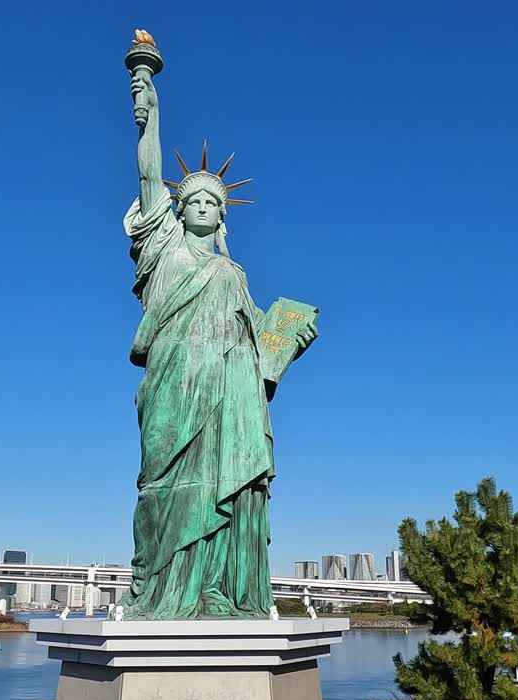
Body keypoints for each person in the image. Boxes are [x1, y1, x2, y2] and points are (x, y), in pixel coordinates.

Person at [122, 68, 317, 619]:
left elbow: (260, 335)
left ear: (222, 214)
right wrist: (147, 102)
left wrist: (289, 333)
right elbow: (149, 170)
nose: (204, 207)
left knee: (222, 486)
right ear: (176, 211)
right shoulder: (162, 249)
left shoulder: (233, 271)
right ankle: (160, 591)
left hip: (230, 388)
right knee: (165, 485)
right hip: (175, 378)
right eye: (194, 201)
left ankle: (217, 589)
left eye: (213, 202)